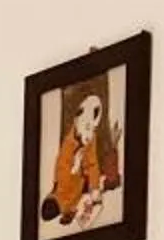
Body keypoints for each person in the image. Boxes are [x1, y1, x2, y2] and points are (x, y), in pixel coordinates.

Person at [45, 78, 122, 230]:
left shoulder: (89, 137)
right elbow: (61, 171)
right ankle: (62, 207)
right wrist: (75, 167)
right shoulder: (68, 145)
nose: (89, 130)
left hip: (78, 187)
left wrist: (94, 187)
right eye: (86, 125)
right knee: (64, 198)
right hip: (67, 186)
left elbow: (92, 164)